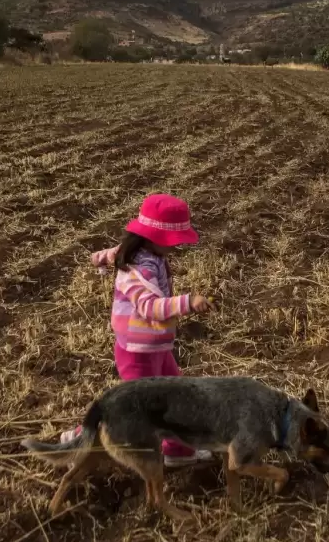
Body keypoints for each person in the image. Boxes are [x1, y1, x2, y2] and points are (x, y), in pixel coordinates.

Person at [60, 193, 215, 466]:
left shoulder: (141, 252)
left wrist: (100, 258)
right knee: (130, 413)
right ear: (153, 237)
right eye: (174, 241)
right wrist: (187, 302)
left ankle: (177, 450)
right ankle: (79, 443)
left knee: (177, 396)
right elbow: (149, 307)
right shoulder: (138, 269)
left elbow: (112, 254)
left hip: (156, 346)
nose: (176, 246)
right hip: (136, 352)